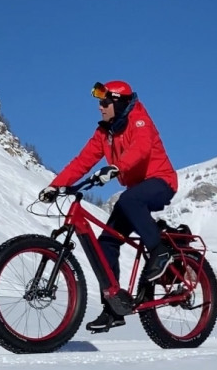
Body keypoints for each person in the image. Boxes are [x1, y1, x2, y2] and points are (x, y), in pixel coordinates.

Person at [38, 81, 178, 333]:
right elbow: (82, 161)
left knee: (129, 200)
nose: (100, 108)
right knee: (106, 244)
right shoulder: (105, 132)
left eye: (105, 103)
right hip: (134, 190)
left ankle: (160, 250)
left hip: (159, 182)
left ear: (119, 102)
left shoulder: (139, 120)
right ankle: (113, 309)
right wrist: (55, 186)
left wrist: (117, 167)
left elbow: (141, 149)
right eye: (99, 103)